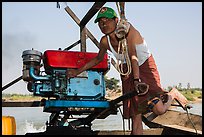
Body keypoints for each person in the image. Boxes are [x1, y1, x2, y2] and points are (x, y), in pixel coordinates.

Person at [66, 5, 188, 135]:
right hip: (127, 70)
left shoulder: (129, 32)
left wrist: (137, 80)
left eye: (107, 20)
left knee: (159, 110)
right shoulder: (104, 41)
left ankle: (173, 94)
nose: (103, 24)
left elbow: (133, 57)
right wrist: (77, 72)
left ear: (116, 20)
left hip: (144, 65)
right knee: (135, 113)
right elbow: (97, 59)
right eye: (100, 22)